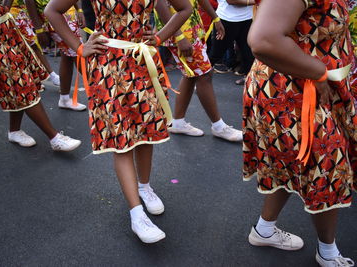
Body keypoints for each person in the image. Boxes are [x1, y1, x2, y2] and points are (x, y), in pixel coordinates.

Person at [45, 0, 192, 243]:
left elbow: (185, 8)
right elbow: (52, 10)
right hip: (108, 66)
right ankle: (136, 214)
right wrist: (79, 47)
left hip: (143, 63)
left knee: (146, 132)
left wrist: (159, 37)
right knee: (121, 139)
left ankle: (144, 187)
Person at [243, 0, 355, 266]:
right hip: (295, 93)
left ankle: (264, 230)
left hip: (303, 87)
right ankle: (328, 252)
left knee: (292, 164)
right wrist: (317, 73)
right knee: (328, 172)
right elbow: (263, 40)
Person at [0, 1, 81, 151]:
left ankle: (14, 131)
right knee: (20, 83)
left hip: (8, 31)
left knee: (18, 83)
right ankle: (54, 138)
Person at [156, 0, 242, 141]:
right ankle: (218, 126)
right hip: (181, 32)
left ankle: (178, 122)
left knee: (191, 74)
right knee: (204, 75)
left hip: (192, 28)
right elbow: (162, 5)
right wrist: (179, 36)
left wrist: (215, 18)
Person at [25, 0, 87, 111]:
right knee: (78, 53)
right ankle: (100, 92)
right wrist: (39, 29)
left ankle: (64, 98)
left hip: (68, 13)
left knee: (67, 54)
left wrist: (80, 9)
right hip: (54, 15)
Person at [3, 0, 60, 87]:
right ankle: (44, 76)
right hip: (9, 16)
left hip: (21, 14)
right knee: (24, 48)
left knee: (32, 45)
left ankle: (50, 75)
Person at [208, 0, 255, 86]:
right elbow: (232, 1)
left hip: (247, 19)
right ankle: (200, 81)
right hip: (226, 20)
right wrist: (256, 1)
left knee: (248, 53)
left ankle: (248, 80)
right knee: (215, 54)